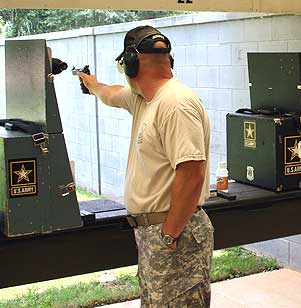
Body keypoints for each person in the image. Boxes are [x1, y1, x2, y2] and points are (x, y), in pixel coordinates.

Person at [76, 25, 214, 308]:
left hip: (173, 231)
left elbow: (192, 174)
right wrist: (89, 82)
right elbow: (110, 92)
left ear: (131, 62)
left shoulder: (176, 104)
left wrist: (169, 235)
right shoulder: (143, 99)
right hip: (157, 232)